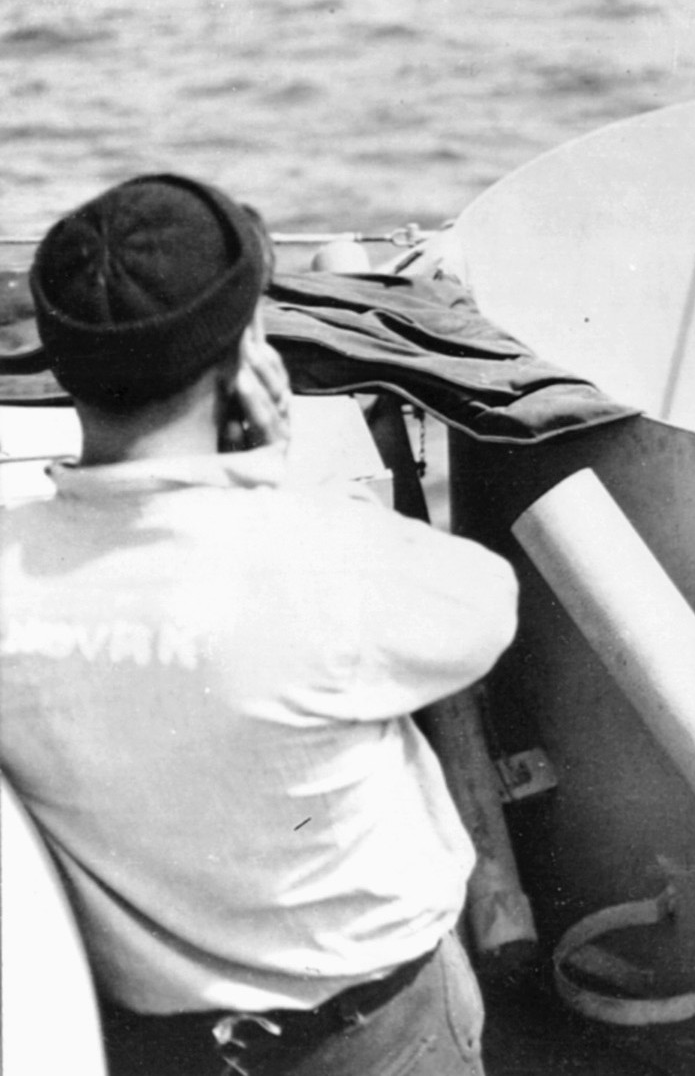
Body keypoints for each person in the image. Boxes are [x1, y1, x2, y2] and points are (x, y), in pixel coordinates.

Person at [0, 174, 520, 1076]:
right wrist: (275, 481)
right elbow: (485, 608)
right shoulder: (322, 562)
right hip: (378, 1037)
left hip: (147, 1043)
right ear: (247, 355)